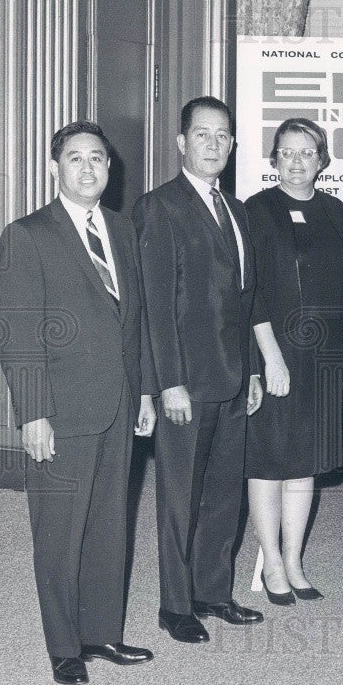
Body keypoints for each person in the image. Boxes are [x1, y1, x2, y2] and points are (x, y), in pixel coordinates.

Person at [0, 121, 156, 685]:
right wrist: (33, 412)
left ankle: (101, 633)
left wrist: (143, 391)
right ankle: (64, 646)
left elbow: (136, 322)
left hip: (118, 402)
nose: (89, 170)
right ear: (54, 168)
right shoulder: (28, 234)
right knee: (60, 529)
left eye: (99, 160)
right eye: (76, 159)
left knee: (110, 522)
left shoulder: (122, 228)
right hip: (61, 410)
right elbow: (18, 333)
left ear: (110, 169)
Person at [132, 96, 264, 643]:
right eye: (203, 135)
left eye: (224, 136)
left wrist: (254, 371)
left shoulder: (236, 208)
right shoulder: (157, 207)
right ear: (182, 143)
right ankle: (175, 605)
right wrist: (168, 382)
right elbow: (156, 306)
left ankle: (214, 592)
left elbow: (246, 300)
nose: (215, 145)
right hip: (186, 381)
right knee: (180, 496)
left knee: (223, 494)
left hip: (234, 379)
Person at [243, 119, 343, 605]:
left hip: (324, 355)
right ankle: (270, 561)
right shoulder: (255, 210)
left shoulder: (336, 211)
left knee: (305, 460)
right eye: (287, 153)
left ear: (322, 160)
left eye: (306, 153)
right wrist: (271, 358)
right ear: (274, 160)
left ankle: (294, 561)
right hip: (273, 350)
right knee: (269, 459)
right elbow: (252, 292)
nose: (296, 161)